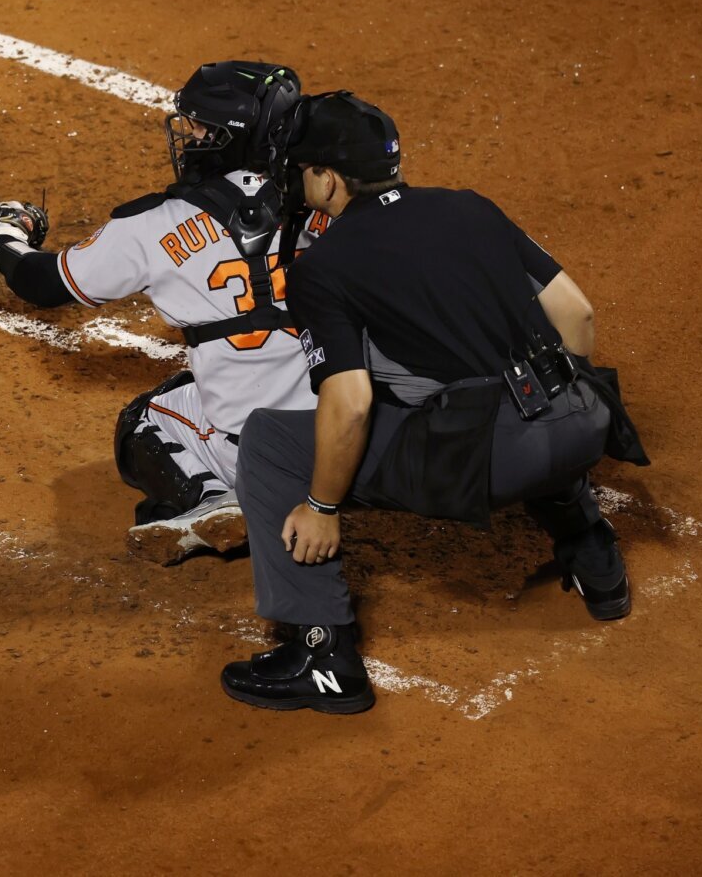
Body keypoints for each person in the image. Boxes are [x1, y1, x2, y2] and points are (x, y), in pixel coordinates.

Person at [219, 92, 647, 714]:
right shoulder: (470, 207)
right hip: (584, 422)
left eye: (302, 168)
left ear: (328, 178)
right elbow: (576, 314)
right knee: (514, 379)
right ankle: (593, 553)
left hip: (493, 459)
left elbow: (352, 401)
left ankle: (323, 656)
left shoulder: (327, 264)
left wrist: (320, 506)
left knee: (268, 441)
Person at [0, 62, 328, 563]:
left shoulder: (153, 225)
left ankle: (213, 496)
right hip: (350, 432)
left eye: (201, 127)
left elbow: (41, 282)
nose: (190, 136)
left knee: (147, 418)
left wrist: (3, 235)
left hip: (263, 451)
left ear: (227, 137)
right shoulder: (330, 201)